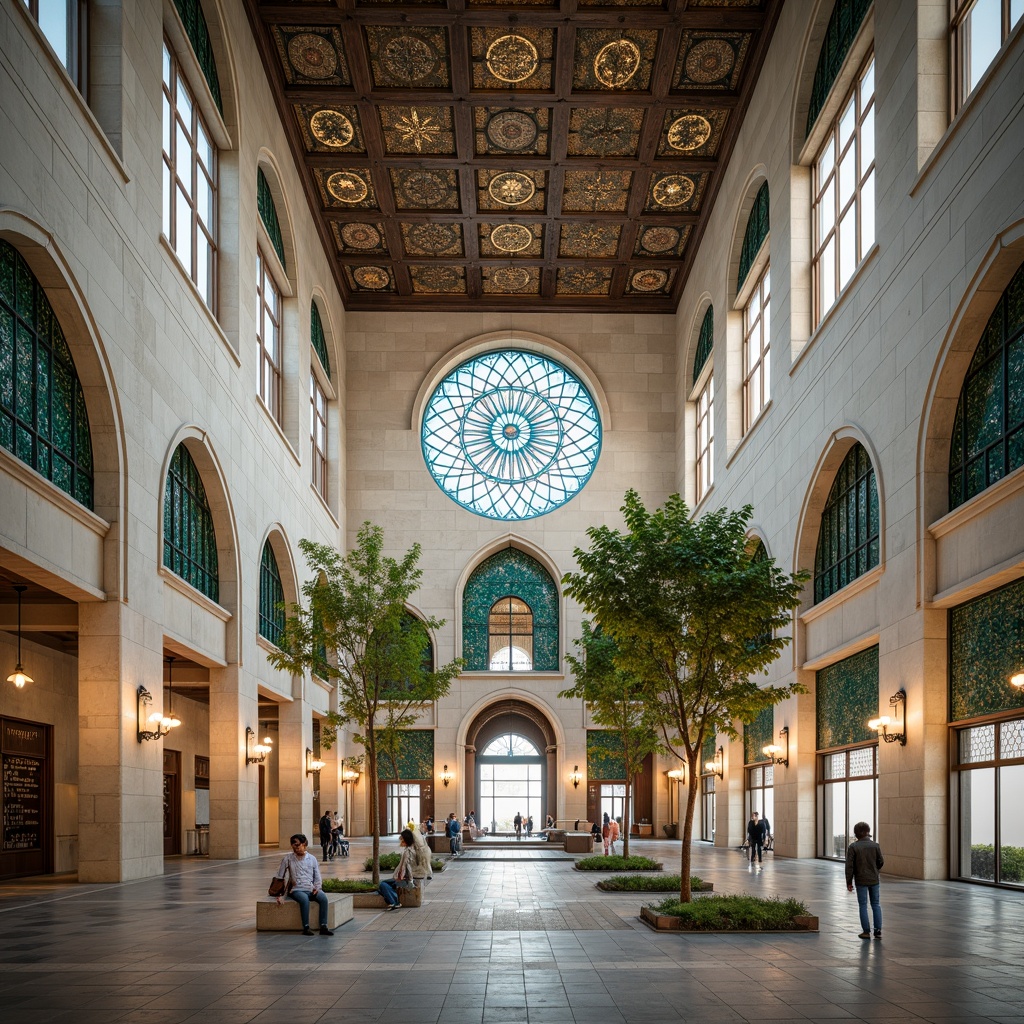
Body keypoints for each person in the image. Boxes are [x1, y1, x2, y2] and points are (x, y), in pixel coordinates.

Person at [272, 834, 334, 935]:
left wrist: (317, 888)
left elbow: (317, 875)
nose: (295, 848)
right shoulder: (288, 859)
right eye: (293, 846)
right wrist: (280, 895)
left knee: (323, 898)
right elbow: (280, 877)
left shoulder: (312, 858)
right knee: (304, 900)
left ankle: (323, 926)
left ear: (304, 844)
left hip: (310, 888)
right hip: (297, 889)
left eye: (297, 845)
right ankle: (306, 927)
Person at [846, 821, 884, 939]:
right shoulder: (875, 845)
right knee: (876, 904)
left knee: (863, 905)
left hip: (861, 880)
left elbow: (849, 866)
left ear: (857, 834)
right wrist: (875, 870)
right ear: (868, 832)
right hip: (874, 880)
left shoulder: (853, 847)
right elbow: (881, 861)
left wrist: (849, 881)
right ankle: (877, 930)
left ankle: (866, 932)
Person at [378, 829, 415, 911]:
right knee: (382, 886)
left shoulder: (408, 851)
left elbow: (408, 867)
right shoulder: (408, 849)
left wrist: (409, 880)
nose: (400, 840)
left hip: (404, 879)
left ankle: (394, 902)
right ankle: (394, 902)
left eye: (401, 838)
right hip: (402, 877)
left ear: (405, 839)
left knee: (382, 884)